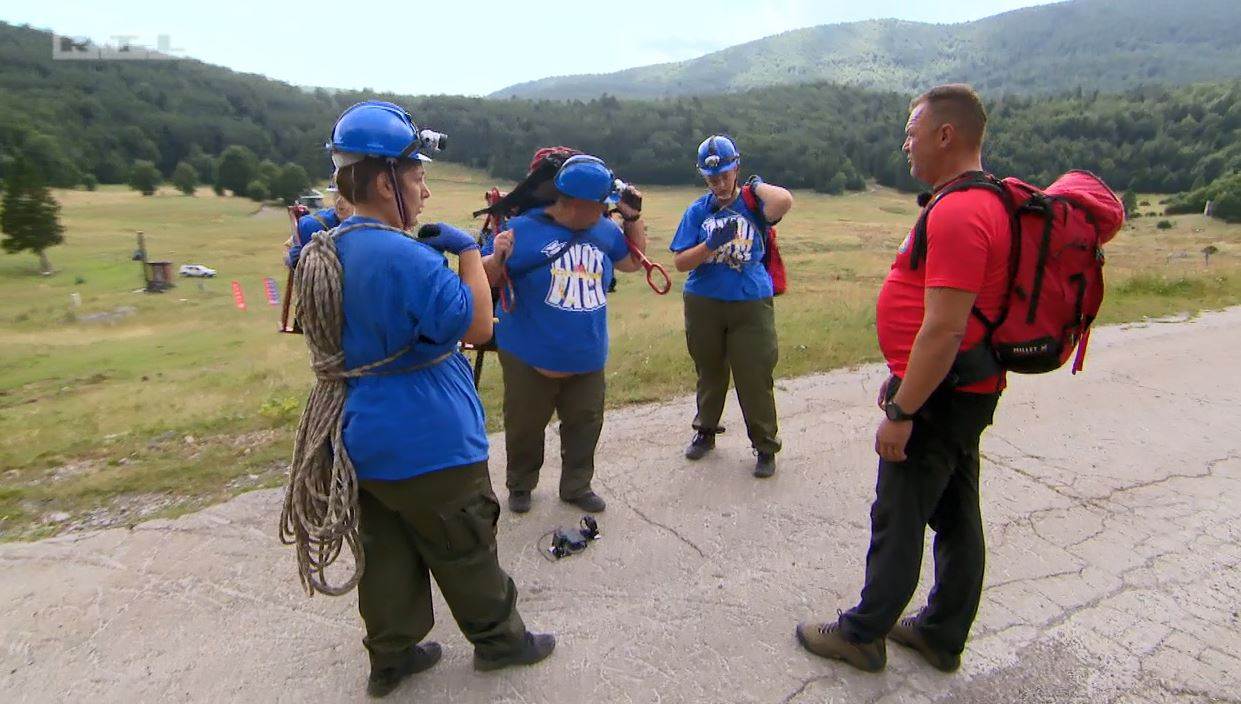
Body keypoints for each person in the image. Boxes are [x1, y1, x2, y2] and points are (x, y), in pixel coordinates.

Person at [305, 101, 554, 697]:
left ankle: (390, 658)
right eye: (415, 174)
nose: (423, 186)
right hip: (431, 440)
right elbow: (478, 327)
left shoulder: (326, 250)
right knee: (465, 545)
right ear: (384, 179)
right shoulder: (409, 256)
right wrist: (471, 254)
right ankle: (500, 641)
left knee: (386, 553)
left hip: (362, 435)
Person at [795, 84, 1010, 674]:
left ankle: (863, 634)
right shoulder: (972, 199)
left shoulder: (963, 210)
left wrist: (903, 411)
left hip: (942, 394)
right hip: (960, 386)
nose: (905, 143)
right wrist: (903, 381)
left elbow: (942, 330)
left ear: (946, 135)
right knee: (957, 510)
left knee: (900, 510)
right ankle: (941, 632)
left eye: (912, 132)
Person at [481, 154, 647, 514]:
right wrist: (496, 259)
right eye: (601, 205)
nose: (607, 211)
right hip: (529, 357)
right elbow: (481, 280)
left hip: (587, 356)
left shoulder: (603, 230)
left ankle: (576, 485)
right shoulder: (522, 230)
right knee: (524, 427)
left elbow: (633, 262)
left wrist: (632, 218)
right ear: (575, 203)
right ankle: (521, 485)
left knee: (585, 424)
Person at [669, 135, 793, 478]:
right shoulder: (698, 211)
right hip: (704, 301)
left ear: (736, 167)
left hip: (750, 302)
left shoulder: (755, 205)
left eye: (725, 174)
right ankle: (705, 432)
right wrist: (709, 245)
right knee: (709, 371)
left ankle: (765, 446)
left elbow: (785, 201)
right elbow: (680, 262)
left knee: (754, 375)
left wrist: (754, 187)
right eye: (712, 178)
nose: (719, 183)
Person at [284, 186, 354, 268]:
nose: (340, 200)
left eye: (348, 194)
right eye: (337, 194)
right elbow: (290, 260)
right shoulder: (312, 224)